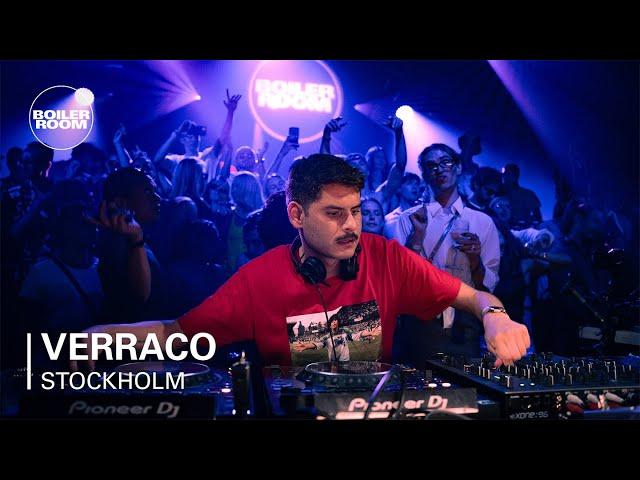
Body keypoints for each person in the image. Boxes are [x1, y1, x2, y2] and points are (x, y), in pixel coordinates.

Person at [73, 154, 529, 371]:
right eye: (334, 214)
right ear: (296, 215)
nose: (351, 226)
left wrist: (496, 316)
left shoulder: (387, 257)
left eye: (355, 211)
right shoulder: (259, 280)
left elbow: (474, 297)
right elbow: (176, 333)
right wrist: (95, 341)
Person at [385, 144, 501, 362]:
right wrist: (416, 238)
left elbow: (488, 285)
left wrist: (475, 259)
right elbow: (398, 279)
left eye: (445, 162)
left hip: (465, 324)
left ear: (458, 167)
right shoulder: (409, 219)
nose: (439, 169)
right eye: (431, 166)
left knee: (465, 382)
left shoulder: (482, 222)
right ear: (424, 174)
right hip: (421, 322)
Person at [502, 163, 542, 229]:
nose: (504, 177)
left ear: (515, 176)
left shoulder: (529, 194)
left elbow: (538, 218)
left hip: (523, 230)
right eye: (504, 175)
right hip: (504, 230)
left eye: (508, 174)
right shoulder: (498, 194)